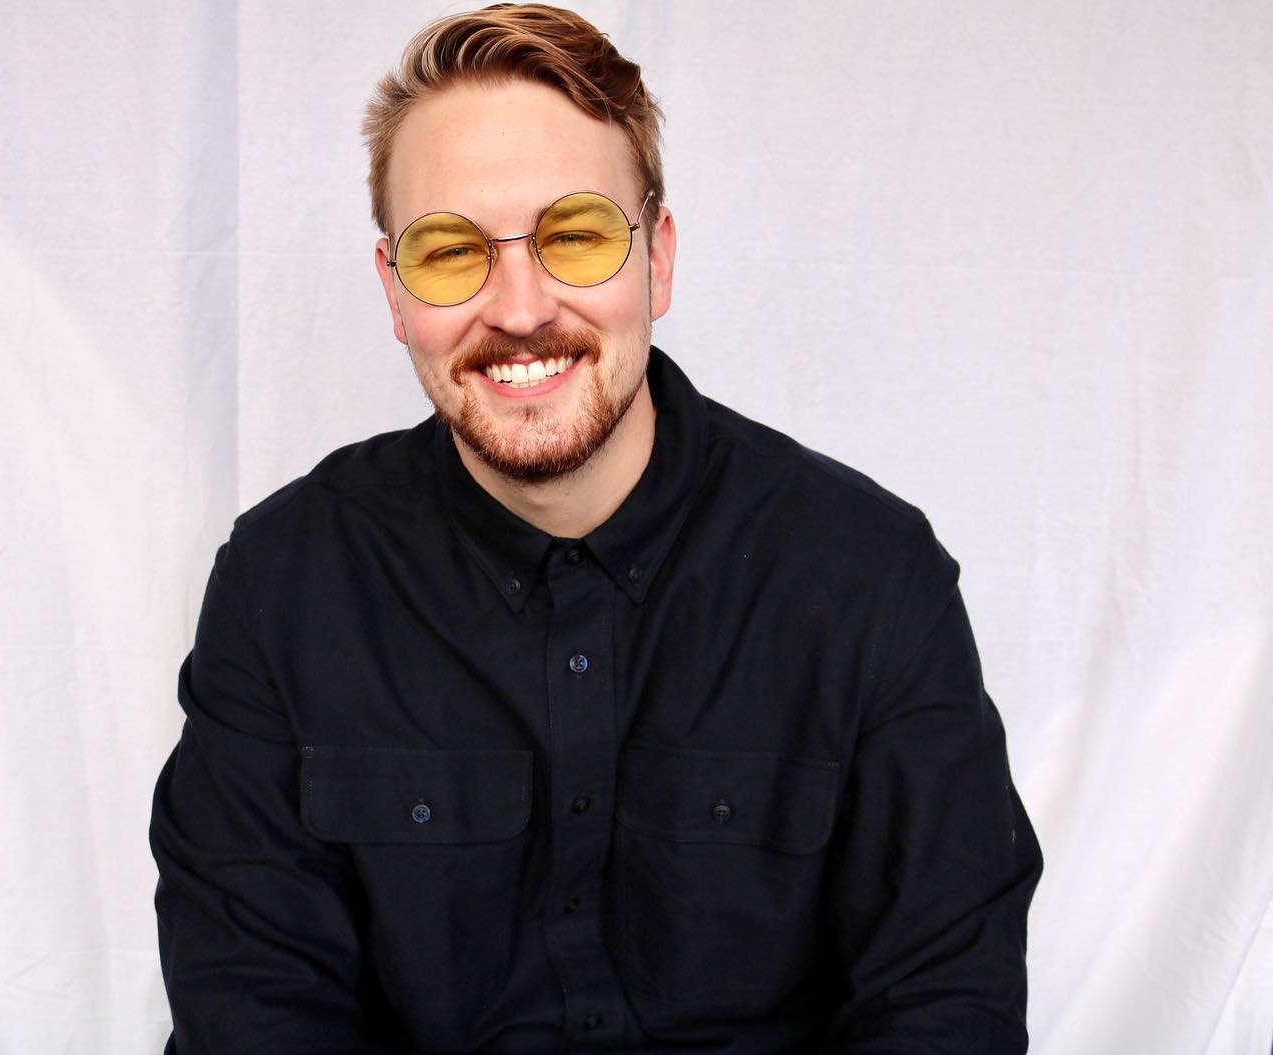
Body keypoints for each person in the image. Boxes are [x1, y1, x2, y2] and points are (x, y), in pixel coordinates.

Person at [149, 5, 1042, 1052]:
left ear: (656, 258)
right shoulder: (282, 587)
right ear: (394, 291)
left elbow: (945, 1007)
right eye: (451, 251)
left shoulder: (870, 580)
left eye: (575, 236)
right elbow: (251, 1010)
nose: (521, 308)